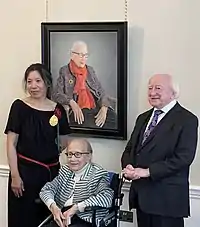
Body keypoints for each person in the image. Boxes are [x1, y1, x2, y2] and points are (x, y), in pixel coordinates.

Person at [121, 74, 198, 227]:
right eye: (150, 88)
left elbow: (184, 158)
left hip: (167, 201)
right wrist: (128, 166)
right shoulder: (142, 118)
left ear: (173, 93)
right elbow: (130, 148)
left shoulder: (187, 119)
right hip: (142, 197)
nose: (152, 92)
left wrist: (148, 171)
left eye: (158, 88)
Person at [4, 63, 71, 227]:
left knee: (47, 221)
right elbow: (11, 144)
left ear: (46, 83)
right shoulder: (19, 107)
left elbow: (64, 143)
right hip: (24, 175)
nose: (33, 86)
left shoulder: (58, 109)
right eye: (29, 81)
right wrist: (15, 176)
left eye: (38, 81)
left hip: (50, 176)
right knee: (23, 219)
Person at [39, 138, 114, 227]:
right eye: (70, 154)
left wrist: (76, 208)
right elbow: (47, 189)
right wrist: (53, 207)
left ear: (89, 156)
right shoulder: (65, 170)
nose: (72, 159)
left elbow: (107, 197)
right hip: (62, 217)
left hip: (86, 220)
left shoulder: (98, 174)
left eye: (77, 154)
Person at [52, 40, 117, 129]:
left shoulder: (90, 70)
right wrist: (71, 102)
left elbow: (101, 91)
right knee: (91, 124)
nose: (84, 58)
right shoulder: (64, 71)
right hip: (79, 110)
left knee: (115, 120)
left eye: (86, 55)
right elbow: (56, 94)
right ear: (72, 55)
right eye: (81, 55)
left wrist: (104, 107)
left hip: (95, 107)